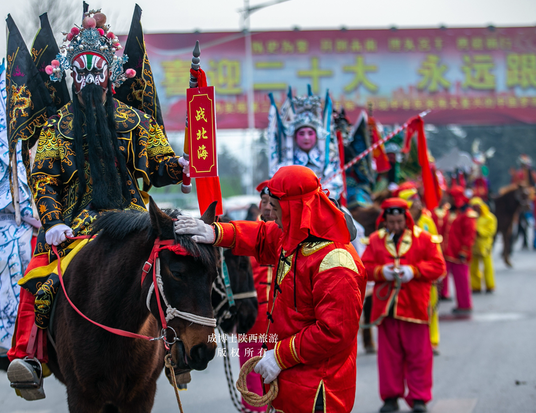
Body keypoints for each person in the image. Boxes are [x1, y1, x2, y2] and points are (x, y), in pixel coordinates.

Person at [6, 9, 189, 400]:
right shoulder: (57, 125)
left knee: (181, 262)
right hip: (77, 226)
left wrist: (178, 166)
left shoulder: (136, 120)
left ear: (110, 72)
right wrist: (52, 220)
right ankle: (31, 357)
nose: (90, 78)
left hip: (135, 221)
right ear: (71, 75)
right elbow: (43, 178)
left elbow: (159, 160)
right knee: (39, 282)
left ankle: (178, 349)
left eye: (96, 69)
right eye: (81, 71)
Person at [176, 165, 366, 413]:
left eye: (276, 209)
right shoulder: (293, 237)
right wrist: (216, 232)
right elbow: (260, 235)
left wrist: (280, 356)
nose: (272, 216)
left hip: (317, 389)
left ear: (295, 209)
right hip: (290, 379)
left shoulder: (336, 261)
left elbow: (333, 333)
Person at [361, 198, 445, 413]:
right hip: (386, 309)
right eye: (391, 222)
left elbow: (438, 266)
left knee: (419, 356)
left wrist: (414, 271)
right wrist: (382, 272)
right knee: (389, 359)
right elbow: (364, 268)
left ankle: (419, 398)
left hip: (415, 307)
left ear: (406, 219)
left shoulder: (424, 239)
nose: (396, 226)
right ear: (385, 220)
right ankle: (390, 397)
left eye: (399, 221)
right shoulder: (374, 240)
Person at [237, 181, 275, 412]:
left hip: (284, 317)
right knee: (251, 370)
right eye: (264, 201)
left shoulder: (294, 235)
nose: (268, 207)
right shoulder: (248, 234)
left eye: (272, 202)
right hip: (253, 316)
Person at [268, 90, 344, 200]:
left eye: (310, 133)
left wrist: (319, 193)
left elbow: (336, 185)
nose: (306, 137)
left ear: (317, 136)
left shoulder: (328, 164)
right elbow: (274, 186)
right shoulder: (283, 167)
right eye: (301, 133)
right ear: (294, 137)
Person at [397, 186, 442, 355]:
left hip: (426, 272)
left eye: (417, 200)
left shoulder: (427, 220)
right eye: (413, 201)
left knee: (431, 308)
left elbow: (436, 245)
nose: (417, 204)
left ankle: (432, 341)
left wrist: (438, 271)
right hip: (405, 274)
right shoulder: (397, 224)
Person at [442, 187, 477, 314]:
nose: (448, 199)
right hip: (448, 252)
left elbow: (469, 235)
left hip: (459, 253)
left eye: (450, 197)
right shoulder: (451, 211)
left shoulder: (467, 214)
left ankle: (465, 305)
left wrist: (464, 251)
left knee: (462, 281)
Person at [469, 197, 497, 293]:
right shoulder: (470, 217)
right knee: (473, 268)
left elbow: (491, 231)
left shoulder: (489, 217)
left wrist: (479, 232)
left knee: (488, 267)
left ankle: (490, 285)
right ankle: (476, 286)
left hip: (485, 246)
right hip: (473, 246)